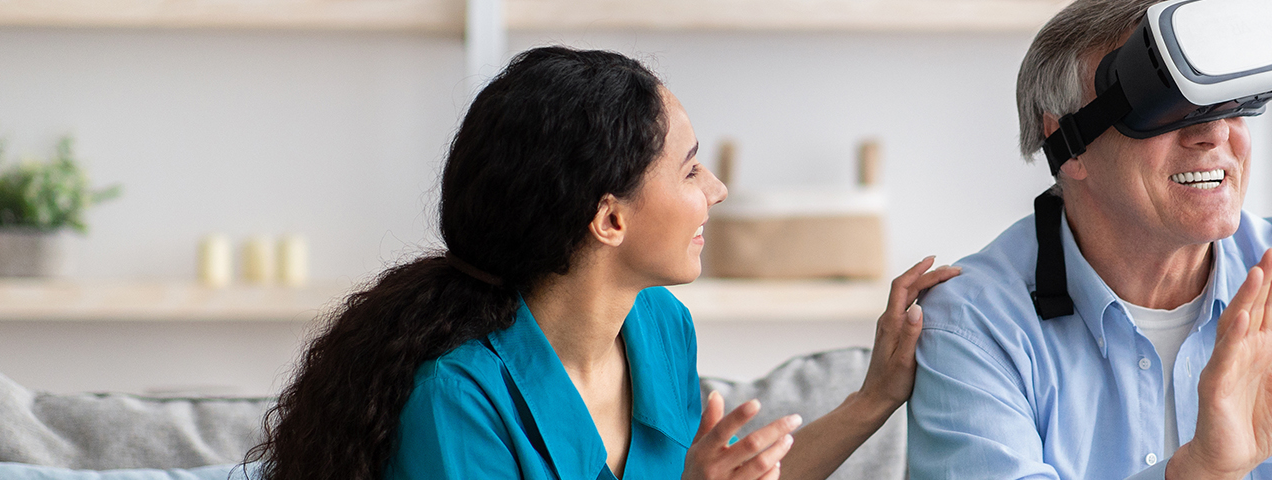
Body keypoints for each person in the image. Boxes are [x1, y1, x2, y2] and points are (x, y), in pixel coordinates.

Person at [242, 46, 958, 480]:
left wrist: (876, 396)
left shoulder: (658, 328)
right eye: (689, 170)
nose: (716, 190)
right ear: (610, 218)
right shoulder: (458, 399)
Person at [907, 0, 1272, 478]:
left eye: (1232, 101)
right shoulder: (975, 329)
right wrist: (1199, 471)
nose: (1214, 133)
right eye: (1167, 103)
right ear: (1069, 142)